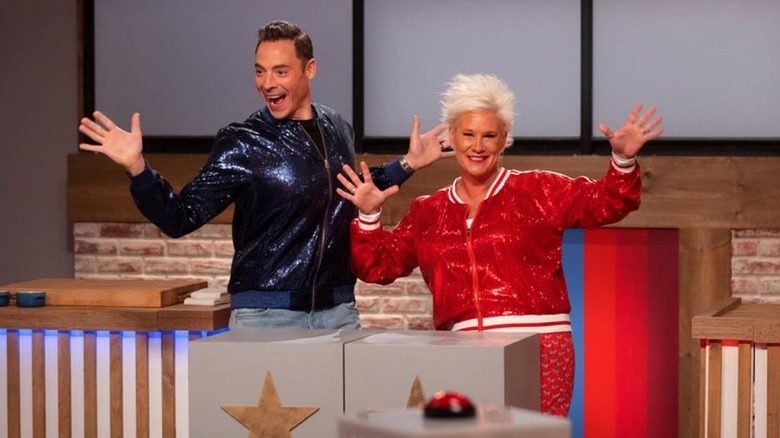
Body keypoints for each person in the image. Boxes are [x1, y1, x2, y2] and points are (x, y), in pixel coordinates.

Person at [77, 20, 449, 330]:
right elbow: (180, 217)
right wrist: (137, 169)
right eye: (260, 71)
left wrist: (409, 163)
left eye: (280, 71)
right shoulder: (242, 142)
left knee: (337, 419)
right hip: (267, 316)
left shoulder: (337, 127)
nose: (267, 83)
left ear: (310, 69)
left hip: (338, 312)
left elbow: (351, 188)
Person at [336, 73, 663, 416]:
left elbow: (607, 201)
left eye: (489, 135)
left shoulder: (539, 190)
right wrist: (369, 214)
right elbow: (377, 266)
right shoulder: (427, 211)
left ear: (504, 138)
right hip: (462, 351)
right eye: (468, 134)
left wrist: (622, 160)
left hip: (539, 347)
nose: (478, 146)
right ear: (452, 137)